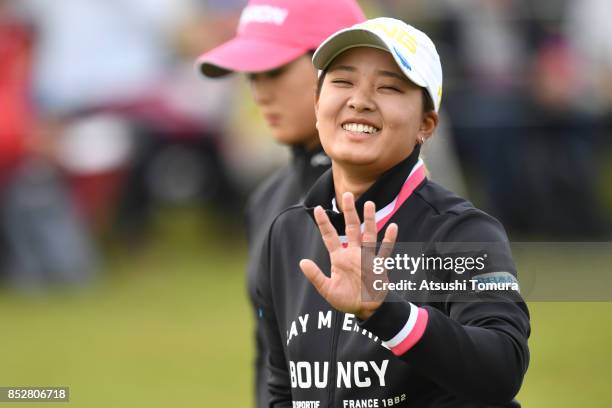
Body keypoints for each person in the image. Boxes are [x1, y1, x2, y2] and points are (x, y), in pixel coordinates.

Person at [257, 18, 530, 407]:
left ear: (426, 124)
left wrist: (388, 314)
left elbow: (502, 368)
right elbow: (283, 389)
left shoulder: (462, 233)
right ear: (318, 105)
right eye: (342, 82)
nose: (360, 100)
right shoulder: (286, 232)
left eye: (388, 87)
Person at [195, 1, 365, 407]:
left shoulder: (410, 194)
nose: (258, 93)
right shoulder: (267, 200)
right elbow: (273, 364)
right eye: (251, 75)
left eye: (273, 71)